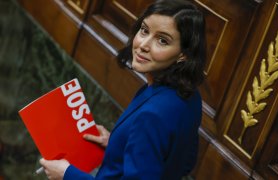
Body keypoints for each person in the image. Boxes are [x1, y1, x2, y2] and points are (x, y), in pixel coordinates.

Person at [39, 0, 206, 179]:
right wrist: (117, 144)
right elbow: (184, 161)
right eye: (144, 30)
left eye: (162, 40)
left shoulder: (152, 115)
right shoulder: (192, 96)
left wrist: (67, 174)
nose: (143, 45)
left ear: (183, 54)